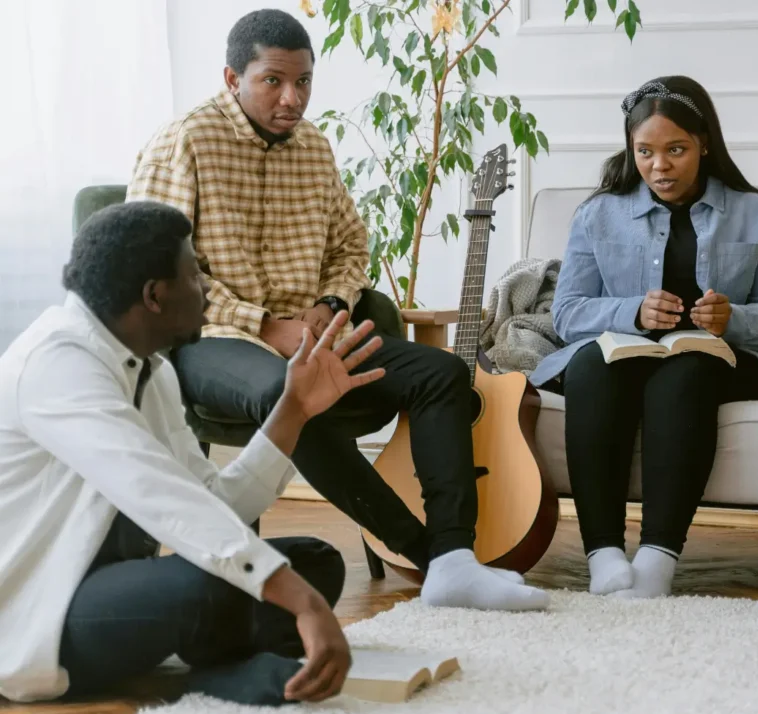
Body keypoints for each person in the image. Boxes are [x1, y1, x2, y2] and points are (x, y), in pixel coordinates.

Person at [125, 9, 548, 612]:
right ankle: (427, 556)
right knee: (292, 394)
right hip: (211, 338)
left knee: (442, 373)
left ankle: (455, 556)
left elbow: (351, 245)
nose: (291, 98)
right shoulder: (185, 142)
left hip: (313, 336)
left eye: (303, 82)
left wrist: (328, 304)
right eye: (273, 80)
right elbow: (158, 274)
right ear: (231, 78)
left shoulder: (315, 148)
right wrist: (268, 326)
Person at [0, 201, 390, 705]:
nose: (207, 289)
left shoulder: (151, 370)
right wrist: (302, 603)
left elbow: (212, 502)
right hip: (40, 609)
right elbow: (158, 495)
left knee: (314, 563)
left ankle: (218, 661)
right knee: (221, 590)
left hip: (107, 585)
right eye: (194, 273)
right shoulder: (57, 362)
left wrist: (293, 410)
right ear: (155, 295)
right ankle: (211, 675)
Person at [529, 76, 758, 598]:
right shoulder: (598, 213)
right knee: (589, 365)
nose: (660, 166)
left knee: (685, 370)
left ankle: (656, 558)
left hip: (716, 361)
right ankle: (604, 553)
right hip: (625, 354)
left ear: (703, 142)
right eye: (646, 152)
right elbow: (567, 313)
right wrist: (633, 311)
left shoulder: (756, 213)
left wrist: (731, 320)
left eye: (675, 150)